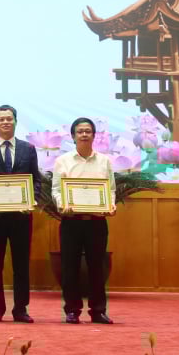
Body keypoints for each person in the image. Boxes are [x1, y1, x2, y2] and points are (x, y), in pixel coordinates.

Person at [0, 104, 40, 323]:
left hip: (22, 217)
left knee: (22, 265)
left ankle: (21, 309)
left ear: (15, 121)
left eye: (9, 119)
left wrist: (32, 200)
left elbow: (36, 181)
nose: (5, 122)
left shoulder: (28, 149)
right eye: (1, 119)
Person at [52, 117, 116, 325]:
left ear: (94, 135)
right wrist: (63, 205)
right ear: (73, 136)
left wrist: (110, 205)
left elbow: (111, 190)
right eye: (80, 131)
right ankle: (72, 310)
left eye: (88, 131)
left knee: (97, 266)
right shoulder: (63, 161)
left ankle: (98, 311)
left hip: (97, 222)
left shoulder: (104, 161)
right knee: (69, 267)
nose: (84, 135)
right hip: (71, 222)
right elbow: (55, 190)